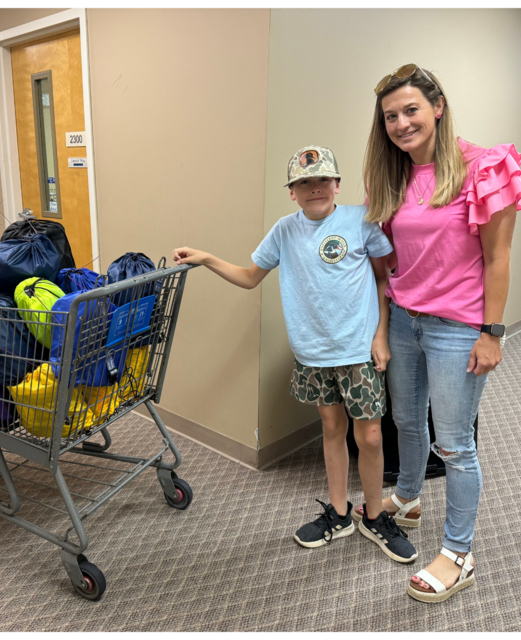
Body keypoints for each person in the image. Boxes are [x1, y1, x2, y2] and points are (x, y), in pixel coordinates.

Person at [173, 146, 417, 564]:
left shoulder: (360, 221)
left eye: (323, 180)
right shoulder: (285, 231)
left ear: (337, 184)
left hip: (358, 349)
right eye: (304, 182)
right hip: (314, 352)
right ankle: (339, 513)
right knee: (331, 427)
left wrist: (381, 336)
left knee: (371, 435)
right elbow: (251, 278)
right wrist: (207, 258)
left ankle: (374, 516)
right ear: (292, 192)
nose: (315, 188)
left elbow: (384, 282)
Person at [358, 64, 521, 602]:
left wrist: (492, 333)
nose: (402, 123)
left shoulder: (484, 167)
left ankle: (458, 552)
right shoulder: (393, 176)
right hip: (406, 320)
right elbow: (387, 260)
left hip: (458, 328)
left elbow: (498, 259)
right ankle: (407, 498)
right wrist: (383, 326)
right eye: (391, 116)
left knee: (454, 444)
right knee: (407, 421)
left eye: (411, 110)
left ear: (437, 107)